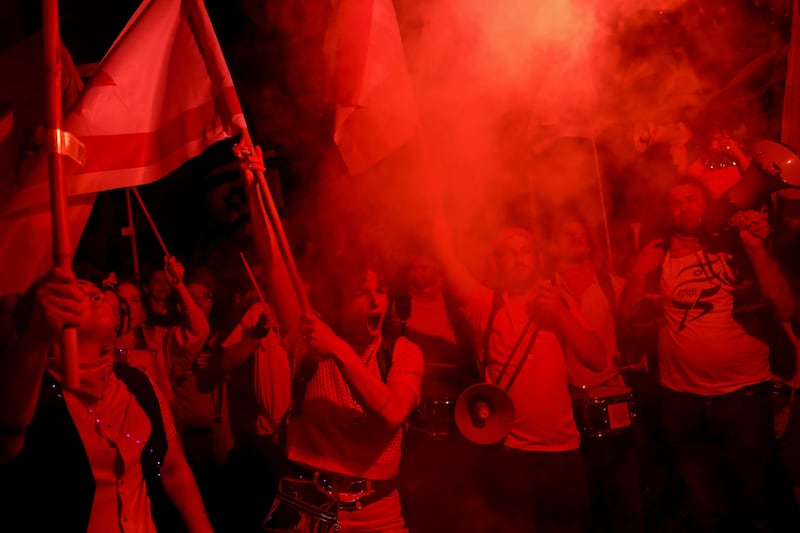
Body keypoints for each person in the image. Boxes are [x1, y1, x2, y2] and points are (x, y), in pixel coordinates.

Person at [619, 177, 796, 532]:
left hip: (742, 399)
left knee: (754, 504)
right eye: (674, 202)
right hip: (683, 402)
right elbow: (626, 316)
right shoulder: (659, 256)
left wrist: (756, 249)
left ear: (709, 204)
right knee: (702, 507)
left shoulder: (737, 245)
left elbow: (785, 308)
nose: (683, 207)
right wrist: (637, 273)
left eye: (691, 199)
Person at [431, 205, 606, 532]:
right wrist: (436, 201)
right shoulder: (485, 303)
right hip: (508, 452)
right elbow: (447, 256)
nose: (519, 257)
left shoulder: (558, 301)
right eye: (508, 252)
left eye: (526, 250)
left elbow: (597, 359)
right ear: (496, 263)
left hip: (562, 450)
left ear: (539, 259)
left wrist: (560, 315)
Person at [0, 267, 213, 533]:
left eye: (97, 292)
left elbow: (174, 469)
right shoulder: (30, 395)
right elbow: (7, 437)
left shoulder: (137, 383)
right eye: (80, 293)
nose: (97, 295)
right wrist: (35, 338)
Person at [551, 215, 645, 533]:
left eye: (582, 234)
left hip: (609, 397)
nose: (577, 239)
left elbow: (634, 318)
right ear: (553, 243)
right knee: (578, 498)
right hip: (562, 404)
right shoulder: (545, 287)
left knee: (622, 494)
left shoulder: (611, 284)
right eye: (568, 234)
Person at [387, 248, 486, 533]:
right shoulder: (398, 308)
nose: (417, 274)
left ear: (440, 272)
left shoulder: (457, 309)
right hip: (415, 424)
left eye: (425, 267)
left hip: (457, 420)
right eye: (413, 268)